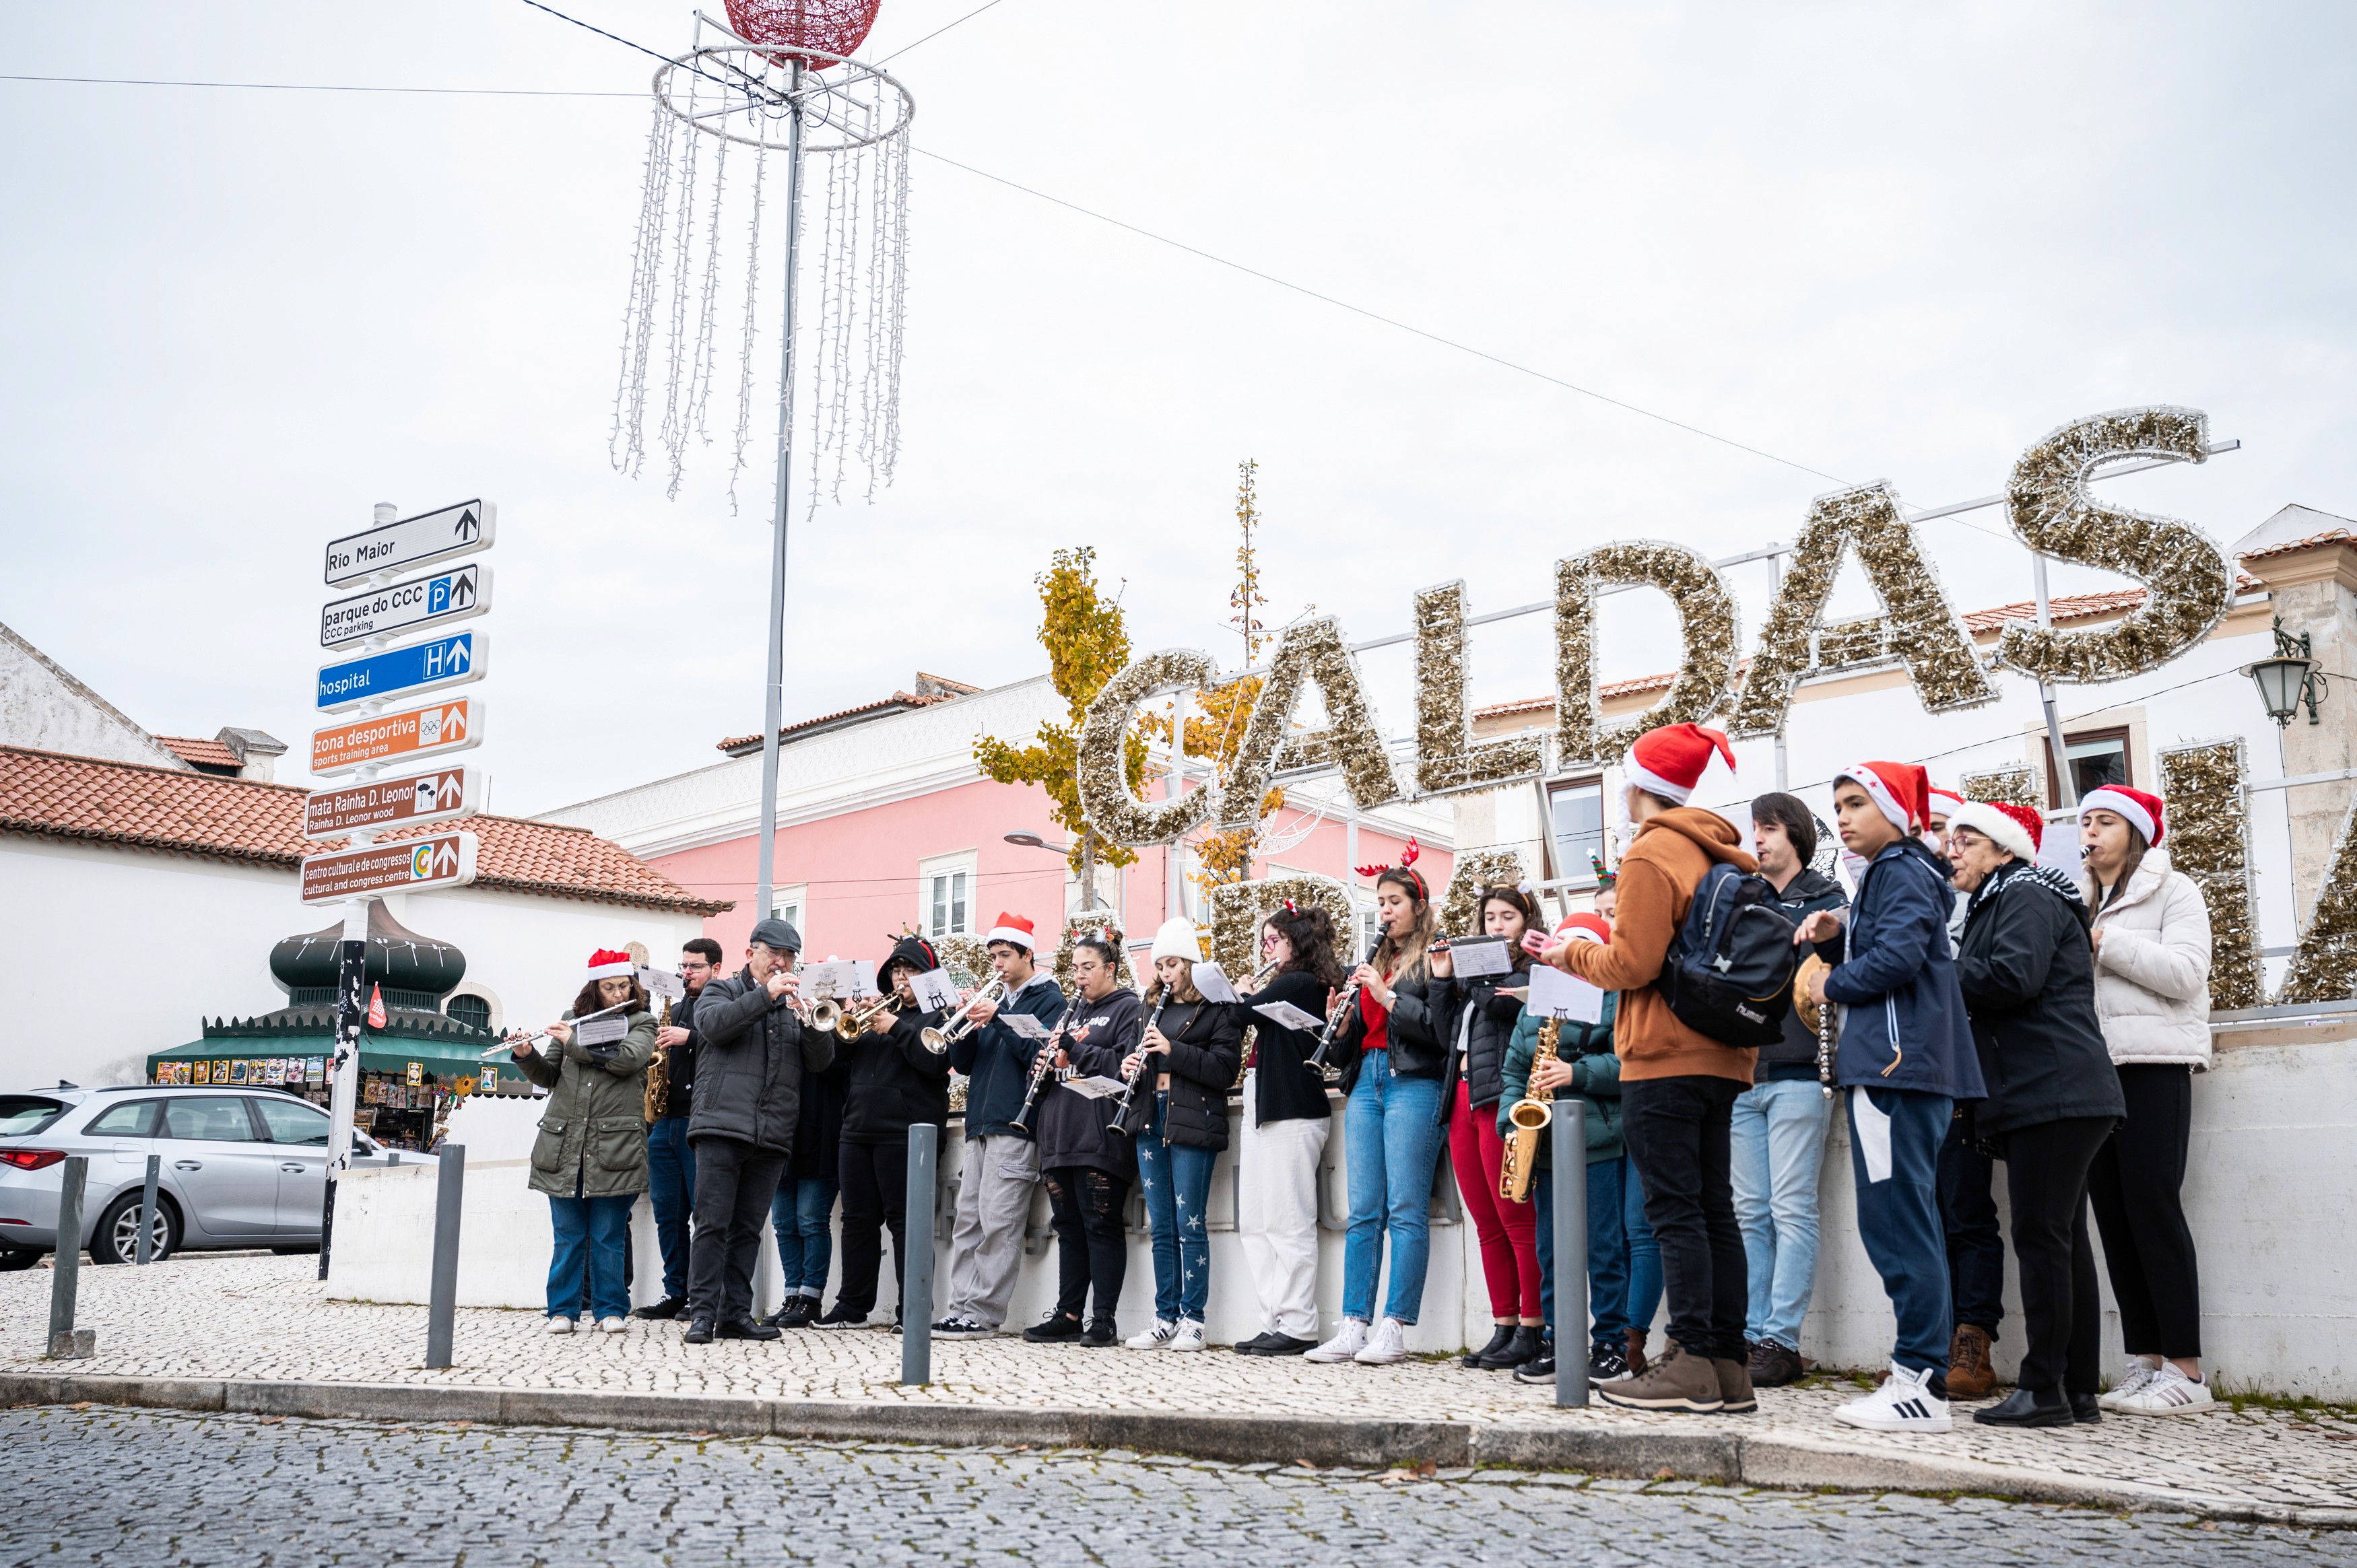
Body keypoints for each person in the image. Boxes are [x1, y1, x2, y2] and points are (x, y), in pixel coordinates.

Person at [1543, 723, 1757, 1416]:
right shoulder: (1717, 849)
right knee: (1713, 1208)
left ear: (1638, 785)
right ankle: (1727, 1365)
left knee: (1673, 1211)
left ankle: (1689, 1359)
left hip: (1663, 1055)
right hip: (1723, 1053)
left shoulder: (1651, 851)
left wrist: (1570, 956)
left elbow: (1630, 964)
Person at [1795, 761, 1986, 1432]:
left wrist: (1829, 980)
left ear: (1895, 812)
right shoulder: (1898, 871)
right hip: (1897, 1069)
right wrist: (1840, 936)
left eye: (1857, 803)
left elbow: (1899, 958)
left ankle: (1919, 1382)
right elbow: (1897, 946)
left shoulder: (1898, 868)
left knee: (1897, 1225)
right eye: (1838, 806)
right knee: (1905, 1221)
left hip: (1894, 1070)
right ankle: (1918, 1376)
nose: (1843, 818)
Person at [1945, 799, 2127, 1427]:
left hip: (2052, 1089)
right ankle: (2076, 1391)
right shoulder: (2007, 897)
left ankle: (2045, 1388)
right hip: (2051, 1089)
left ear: (2003, 849)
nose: (1953, 851)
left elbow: (2013, 976)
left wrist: (1938, 970)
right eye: (1951, 840)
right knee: (2061, 1239)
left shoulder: (2023, 892)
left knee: (2043, 1237)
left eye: (1967, 840)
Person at [2077, 784, 2217, 1417]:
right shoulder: (2080, 899)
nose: (2091, 832)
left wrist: (2105, 943)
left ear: (2135, 831)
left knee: (2153, 1209)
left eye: (2106, 821)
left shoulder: (2175, 890)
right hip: (2095, 1071)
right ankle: (2147, 1360)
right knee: (2113, 1216)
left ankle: (2188, 1371)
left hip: (2155, 1065)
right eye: (2086, 821)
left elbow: (2186, 974)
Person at [1306, 844, 1452, 1367]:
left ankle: (1395, 1326)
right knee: (1363, 1210)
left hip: (1414, 1081)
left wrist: (1388, 996)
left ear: (1419, 904)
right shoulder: (1375, 959)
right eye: (1381, 902)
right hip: (1366, 1081)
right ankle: (1353, 1325)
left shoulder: (1436, 957)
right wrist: (1342, 1025)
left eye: (1395, 901)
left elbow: (1440, 1031)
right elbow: (1350, 1046)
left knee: (1406, 1208)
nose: (1386, 911)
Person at [1731, 793, 1848, 1388]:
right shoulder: (1742, 897)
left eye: (1769, 828)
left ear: (1796, 835)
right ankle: (1752, 1335)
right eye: (1754, 828)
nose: (1758, 838)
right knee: (1750, 1212)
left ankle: (1782, 1340)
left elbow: (1844, 967)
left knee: (1791, 1208)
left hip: (1801, 1072)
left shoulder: (1829, 898)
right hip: (1743, 1074)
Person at [682, 918, 834, 1345]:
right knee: (711, 1224)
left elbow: (820, 1063)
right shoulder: (721, 990)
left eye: (789, 957)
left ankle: (735, 1314)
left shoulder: (792, 1007)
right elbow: (714, 1027)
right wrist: (766, 997)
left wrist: (812, 1022)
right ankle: (702, 1314)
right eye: (774, 955)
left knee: (748, 1229)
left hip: (772, 1133)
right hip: (721, 1126)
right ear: (751, 954)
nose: (781, 963)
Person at [1500, 913, 1630, 1384]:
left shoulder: (1616, 996)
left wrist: (1577, 1073)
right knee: (1551, 1249)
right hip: (1546, 1139)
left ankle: (1612, 1344)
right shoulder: (1539, 1000)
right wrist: (1512, 1123)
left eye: (1579, 945)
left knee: (1604, 1247)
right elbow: (1515, 1068)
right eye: (1563, 944)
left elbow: (1629, 1062)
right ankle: (1559, 1340)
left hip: (1598, 1139)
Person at [934, 912, 1067, 1339]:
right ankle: (960, 1308)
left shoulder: (1050, 1000)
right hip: (980, 1124)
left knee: (999, 1223)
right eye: (994, 956)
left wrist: (998, 1019)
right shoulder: (996, 1003)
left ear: (1028, 955)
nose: (998, 965)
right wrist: (961, 1022)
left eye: (1006, 955)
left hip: (1017, 1125)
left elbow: (1038, 1056)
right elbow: (963, 1064)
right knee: (968, 1222)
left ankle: (984, 1314)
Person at [514, 950, 657, 1334]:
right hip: (565, 1146)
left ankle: (611, 1310)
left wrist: (574, 1042)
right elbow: (549, 1076)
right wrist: (525, 1055)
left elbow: (627, 1060)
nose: (618, 993)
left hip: (615, 1148)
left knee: (608, 1237)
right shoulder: (571, 1020)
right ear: (594, 988)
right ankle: (563, 1311)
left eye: (623, 986)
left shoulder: (642, 1022)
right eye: (609, 987)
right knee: (568, 1237)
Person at [1121, 917, 1244, 1353]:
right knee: (1161, 1226)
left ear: (1191, 963)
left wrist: (1173, 1050)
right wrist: (1128, 1067)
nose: (1165, 973)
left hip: (1193, 1117)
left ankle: (1195, 1319)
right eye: (1160, 965)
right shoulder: (1149, 1005)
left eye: (1173, 964)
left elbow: (1225, 1070)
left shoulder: (1216, 1008)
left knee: (1190, 1223)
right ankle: (1165, 1315)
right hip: (1150, 1117)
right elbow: (1133, 1054)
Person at [820, 935, 953, 1330]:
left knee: (907, 1223)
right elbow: (838, 1060)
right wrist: (851, 1022)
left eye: (910, 970)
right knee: (857, 1222)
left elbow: (935, 1064)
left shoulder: (940, 1016)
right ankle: (852, 1307)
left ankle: (913, 1311)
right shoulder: (876, 1011)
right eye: (896, 970)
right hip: (858, 1128)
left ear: (927, 976)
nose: (901, 978)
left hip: (908, 1132)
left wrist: (897, 1029)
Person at [1233, 902, 1346, 1357]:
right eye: (1264, 941)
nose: (1266, 949)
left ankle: (1299, 1323)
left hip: (1293, 1108)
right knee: (1255, 1222)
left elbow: (1240, 1014)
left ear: (1297, 941)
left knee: (1288, 1221)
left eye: (1273, 940)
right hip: (1263, 1100)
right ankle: (1274, 1319)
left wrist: (1243, 992)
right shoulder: (1288, 983)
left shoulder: (1301, 982)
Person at [1442, 885, 1546, 1372]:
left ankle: (1533, 1325)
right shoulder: (1476, 978)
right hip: (1462, 1098)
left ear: (1527, 922)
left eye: (1508, 916)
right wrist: (1444, 978)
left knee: (1515, 1219)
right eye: (1490, 917)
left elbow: (1503, 1006)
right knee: (1485, 1223)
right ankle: (1504, 1324)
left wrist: (1472, 971)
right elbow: (1443, 1028)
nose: (1498, 925)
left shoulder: (1531, 969)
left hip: (1499, 1099)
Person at [1024, 930, 1141, 1346]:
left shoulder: (1129, 1007)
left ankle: (1104, 1320)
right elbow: (1053, 1074)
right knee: (1068, 1228)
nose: (1079, 976)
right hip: (1059, 1133)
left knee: (1100, 1225)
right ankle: (1069, 1314)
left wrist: (1075, 1050)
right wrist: (1042, 1067)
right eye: (1075, 968)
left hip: (1100, 1133)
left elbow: (1124, 1067)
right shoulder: (1069, 1014)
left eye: (1088, 968)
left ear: (1111, 969)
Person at [636, 938, 721, 1321]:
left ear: (715, 968)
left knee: (705, 1216)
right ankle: (676, 1291)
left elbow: (734, 1044)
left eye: (695, 967)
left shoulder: (723, 1003)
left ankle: (705, 1297)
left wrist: (691, 1039)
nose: (687, 973)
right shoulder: (678, 1006)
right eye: (684, 966)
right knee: (668, 1216)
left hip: (700, 1120)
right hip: (665, 1120)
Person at [766, 990, 850, 1329]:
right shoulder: (786, 1027)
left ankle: (811, 1298)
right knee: (784, 1222)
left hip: (822, 1135)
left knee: (811, 1220)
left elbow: (834, 1070)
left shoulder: (843, 1030)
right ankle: (792, 1295)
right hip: (784, 1133)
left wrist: (818, 1026)